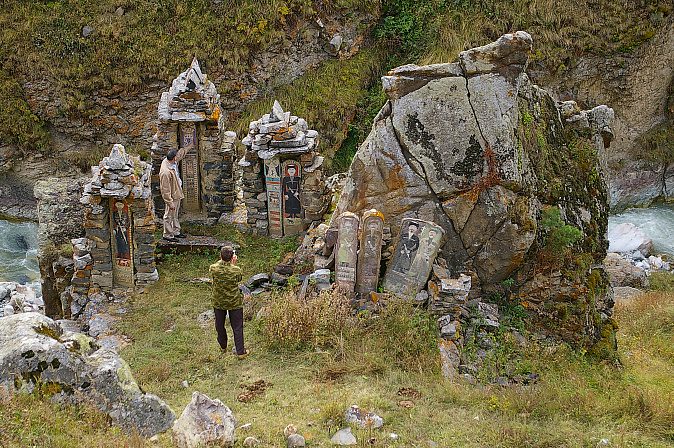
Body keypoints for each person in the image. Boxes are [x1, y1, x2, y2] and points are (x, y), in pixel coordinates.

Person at [209, 245, 249, 359]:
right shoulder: (236, 270)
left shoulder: (213, 268)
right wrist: (232, 264)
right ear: (232, 257)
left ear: (220, 255)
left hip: (219, 301)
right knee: (237, 326)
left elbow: (216, 268)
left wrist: (225, 261)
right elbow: (238, 279)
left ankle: (223, 346)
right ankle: (240, 352)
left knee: (220, 325)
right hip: (234, 302)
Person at [159, 148, 187, 243]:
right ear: (174, 158)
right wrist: (170, 202)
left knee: (175, 215)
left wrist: (188, 147)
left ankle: (175, 231)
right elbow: (165, 189)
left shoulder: (171, 162)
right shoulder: (165, 172)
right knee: (168, 215)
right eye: (177, 156)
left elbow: (181, 154)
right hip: (172, 196)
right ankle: (167, 234)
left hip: (176, 192)